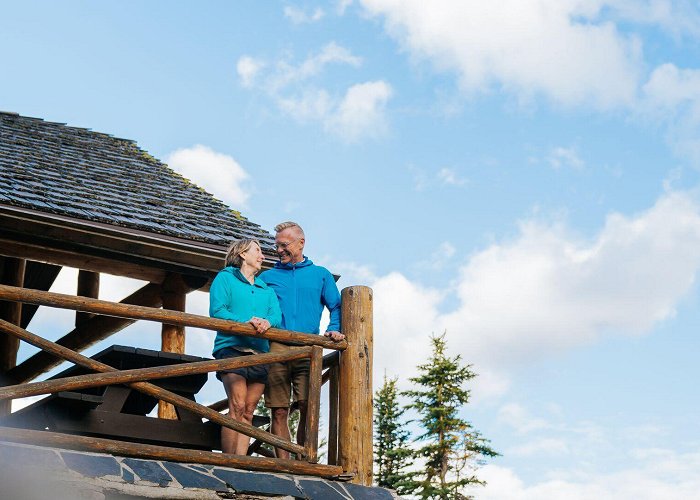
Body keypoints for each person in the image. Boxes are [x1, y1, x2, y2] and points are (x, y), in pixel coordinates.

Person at [260, 221, 344, 459]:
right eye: (277, 246)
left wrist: (333, 329)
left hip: (309, 348)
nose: (279, 250)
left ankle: (304, 460)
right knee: (278, 411)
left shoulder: (321, 275)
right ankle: (285, 465)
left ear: (301, 243)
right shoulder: (268, 277)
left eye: (284, 245)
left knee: (308, 408)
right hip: (276, 346)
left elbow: (335, 307)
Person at [210, 238, 282, 455]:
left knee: (249, 411)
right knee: (238, 406)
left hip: (260, 353)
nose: (262, 256)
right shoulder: (225, 279)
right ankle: (228, 461)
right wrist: (247, 321)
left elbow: (275, 315)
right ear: (243, 254)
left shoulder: (266, 290)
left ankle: (241, 463)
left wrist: (267, 322)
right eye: (258, 251)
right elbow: (218, 310)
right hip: (232, 348)